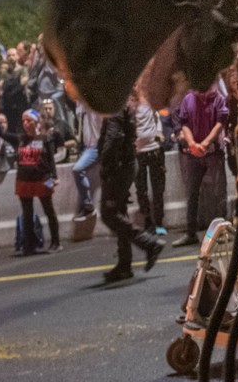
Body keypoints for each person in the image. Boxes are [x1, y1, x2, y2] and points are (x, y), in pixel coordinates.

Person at [97, 102, 163, 283]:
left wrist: (105, 162)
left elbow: (114, 136)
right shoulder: (122, 102)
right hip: (124, 163)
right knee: (119, 211)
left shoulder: (115, 106)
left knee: (109, 213)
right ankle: (124, 264)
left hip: (118, 165)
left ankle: (149, 244)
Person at [174, 79, 227, 247]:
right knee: (192, 193)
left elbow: (220, 123)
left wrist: (204, 143)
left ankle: (221, 232)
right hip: (194, 153)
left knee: (218, 193)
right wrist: (192, 144)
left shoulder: (218, 98)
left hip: (213, 151)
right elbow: (184, 123)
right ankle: (191, 233)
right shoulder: (188, 99)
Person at [12, 109, 62, 254]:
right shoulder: (21, 139)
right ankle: (29, 245)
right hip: (24, 180)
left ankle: (56, 242)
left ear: (36, 122)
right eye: (24, 121)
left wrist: (54, 176)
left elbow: (51, 160)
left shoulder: (45, 138)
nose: (26, 124)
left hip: (42, 179)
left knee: (49, 211)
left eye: (29, 120)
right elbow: (1, 134)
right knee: (27, 213)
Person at [131, 85, 167, 235]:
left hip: (154, 148)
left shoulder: (148, 98)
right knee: (141, 189)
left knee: (158, 188)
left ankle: (158, 222)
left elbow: (156, 115)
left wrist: (159, 132)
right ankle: (148, 222)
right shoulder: (128, 104)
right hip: (138, 151)